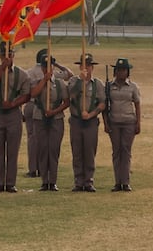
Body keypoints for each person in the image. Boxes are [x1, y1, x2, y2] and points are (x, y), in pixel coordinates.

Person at [0, 42, 31, 194]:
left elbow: (26, 95)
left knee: (12, 150)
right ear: (0, 55)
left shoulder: (22, 74)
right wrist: (2, 67)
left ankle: (10, 183)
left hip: (13, 114)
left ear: (13, 55)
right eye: (4, 54)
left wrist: (12, 103)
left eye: (9, 54)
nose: (7, 57)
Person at [27, 49, 70, 192]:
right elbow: (33, 94)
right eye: (44, 67)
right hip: (39, 118)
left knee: (54, 149)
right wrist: (44, 80)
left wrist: (54, 111)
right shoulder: (37, 81)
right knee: (42, 149)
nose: (47, 69)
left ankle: (53, 181)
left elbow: (66, 102)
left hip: (56, 119)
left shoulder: (60, 83)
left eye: (49, 66)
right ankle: (44, 181)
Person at [68, 54, 106, 192]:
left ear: (92, 68)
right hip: (76, 121)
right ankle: (78, 181)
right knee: (77, 152)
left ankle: (88, 181)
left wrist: (91, 114)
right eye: (83, 66)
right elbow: (70, 96)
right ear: (80, 67)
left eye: (88, 66)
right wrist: (81, 82)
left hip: (90, 122)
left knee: (89, 152)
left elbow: (102, 103)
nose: (86, 69)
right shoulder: (73, 81)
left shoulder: (98, 84)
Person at [105, 57, 141, 192]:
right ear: (115, 71)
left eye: (124, 70)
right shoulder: (108, 86)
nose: (121, 73)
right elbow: (105, 106)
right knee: (116, 152)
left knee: (126, 151)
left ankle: (125, 182)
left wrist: (138, 122)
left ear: (128, 72)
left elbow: (137, 104)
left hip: (128, 123)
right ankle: (117, 182)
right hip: (114, 122)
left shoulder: (133, 87)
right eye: (119, 70)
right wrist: (106, 123)